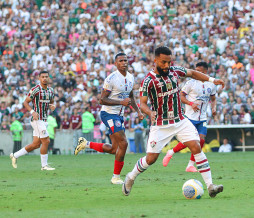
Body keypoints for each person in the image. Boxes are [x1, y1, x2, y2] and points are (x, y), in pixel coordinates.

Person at [122, 46, 224, 198]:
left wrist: (211, 80)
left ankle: (210, 186)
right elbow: (142, 103)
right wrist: (150, 112)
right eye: (163, 62)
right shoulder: (148, 81)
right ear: (155, 60)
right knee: (151, 159)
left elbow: (193, 73)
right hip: (161, 124)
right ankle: (130, 177)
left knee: (196, 146)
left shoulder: (175, 71)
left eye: (169, 62)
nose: (167, 66)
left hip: (180, 120)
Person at [74, 53, 143, 185]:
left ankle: (86, 144)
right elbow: (102, 100)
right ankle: (115, 177)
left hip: (119, 115)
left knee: (114, 149)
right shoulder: (111, 78)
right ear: (116, 64)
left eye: (125, 60)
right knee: (124, 143)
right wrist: (121, 102)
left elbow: (131, 98)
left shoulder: (130, 77)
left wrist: (138, 111)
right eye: (121, 61)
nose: (124, 62)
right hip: (109, 114)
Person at [162, 61, 217, 172]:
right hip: (190, 117)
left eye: (199, 71)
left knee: (201, 140)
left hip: (202, 118)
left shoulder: (211, 84)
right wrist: (191, 104)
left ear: (205, 72)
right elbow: (181, 96)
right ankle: (171, 152)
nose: (196, 73)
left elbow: (213, 98)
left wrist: (214, 108)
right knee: (190, 141)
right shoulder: (190, 83)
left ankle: (190, 165)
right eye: (195, 70)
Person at [10, 71, 56, 170]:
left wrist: (53, 106)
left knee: (36, 144)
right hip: (36, 119)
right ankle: (44, 165)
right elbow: (25, 102)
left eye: (46, 77)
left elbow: (51, 102)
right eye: (42, 77)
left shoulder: (51, 91)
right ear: (39, 78)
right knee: (46, 140)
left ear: (49, 78)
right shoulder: (35, 89)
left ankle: (15, 156)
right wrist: (32, 112)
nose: (44, 78)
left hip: (44, 119)